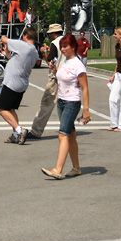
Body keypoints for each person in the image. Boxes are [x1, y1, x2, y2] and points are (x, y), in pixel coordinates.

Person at [40, 34, 91, 179]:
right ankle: (76, 168)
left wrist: (86, 110)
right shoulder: (66, 62)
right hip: (62, 101)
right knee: (71, 135)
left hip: (72, 102)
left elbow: (85, 88)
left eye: (65, 46)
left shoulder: (78, 65)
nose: (62, 49)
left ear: (73, 47)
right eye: (61, 47)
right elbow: (61, 77)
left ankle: (58, 169)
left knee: (62, 135)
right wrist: (54, 70)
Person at [0, 28, 38, 144]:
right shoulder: (34, 51)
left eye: (22, 36)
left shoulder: (23, 46)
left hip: (12, 83)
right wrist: (7, 54)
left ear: (25, 36)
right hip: (21, 83)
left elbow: (4, 39)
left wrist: (3, 37)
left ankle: (20, 130)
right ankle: (15, 135)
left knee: (1, 109)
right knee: (11, 109)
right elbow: (18, 62)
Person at [27, 23, 65, 140]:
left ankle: (36, 131)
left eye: (49, 34)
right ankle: (67, 128)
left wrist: (44, 52)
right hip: (68, 77)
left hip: (56, 77)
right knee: (66, 104)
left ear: (54, 34)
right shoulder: (69, 41)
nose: (49, 37)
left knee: (46, 104)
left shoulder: (55, 43)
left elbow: (49, 60)